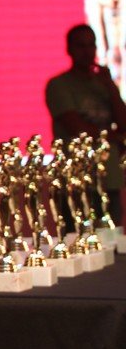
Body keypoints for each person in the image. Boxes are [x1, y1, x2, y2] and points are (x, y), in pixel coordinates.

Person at [45, 22, 126, 223]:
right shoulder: (59, 85)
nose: (87, 51)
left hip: (108, 176)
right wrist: (114, 137)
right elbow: (75, 126)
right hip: (77, 178)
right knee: (77, 235)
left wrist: (111, 87)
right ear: (69, 49)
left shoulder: (103, 84)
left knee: (113, 234)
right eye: (81, 46)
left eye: (91, 45)